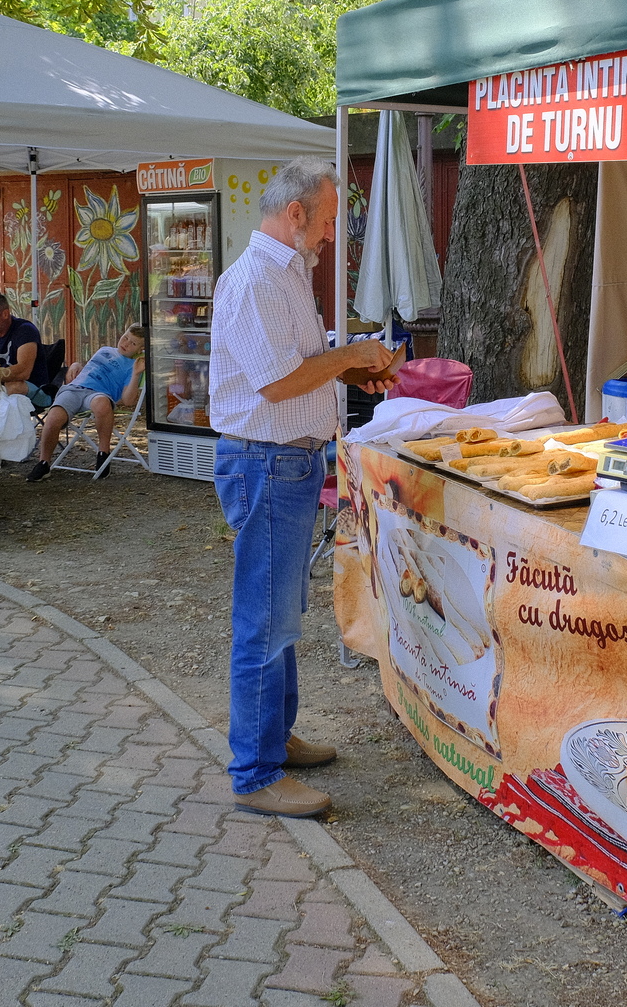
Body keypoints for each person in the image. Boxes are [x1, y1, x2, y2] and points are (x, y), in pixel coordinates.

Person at [210, 156, 395, 819]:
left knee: (281, 615)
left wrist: (350, 371)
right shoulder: (257, 279)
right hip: (266, 463)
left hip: (283, 462)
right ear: (294, 214)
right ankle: (255, 772)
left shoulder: (283, 272)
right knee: (265, 622)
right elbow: (276, 384)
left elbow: (296, 367)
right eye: (325, 221)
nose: (329, 234)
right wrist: (350, 357)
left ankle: (274, 740)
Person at [24, 325, 145, 482]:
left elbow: (128, 401)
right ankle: (43, 463)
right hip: (74, 388)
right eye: (126, 337)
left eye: (133, 343)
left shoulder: (133, 366)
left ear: (140, 349)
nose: (126, 343)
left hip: (99, 394)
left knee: (102, 404)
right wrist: (76, 365)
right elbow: (90, 368)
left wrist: (136, 374)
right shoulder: (104, 350)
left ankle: (103, 454)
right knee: (54, 417)